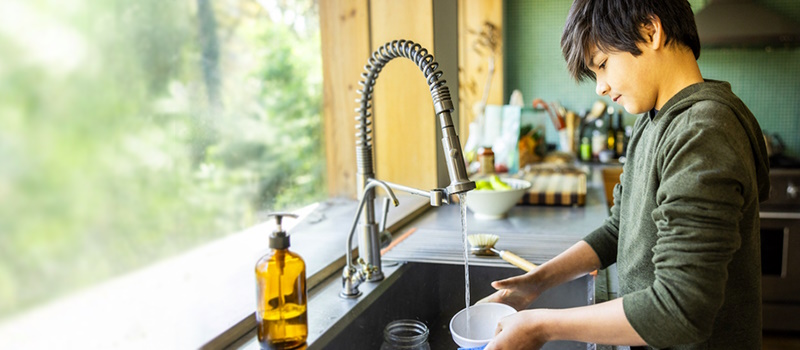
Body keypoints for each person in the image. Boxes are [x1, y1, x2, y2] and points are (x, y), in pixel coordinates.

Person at [479, 0, 770, 349]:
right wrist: (538, 282)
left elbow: (681, 309)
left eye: (602, 64)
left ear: (650, 31)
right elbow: (621, 226)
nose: (599, 87)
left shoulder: (701, 132)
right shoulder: (654, 121)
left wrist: (538, 326)